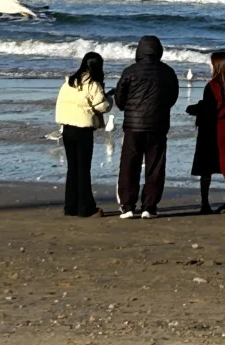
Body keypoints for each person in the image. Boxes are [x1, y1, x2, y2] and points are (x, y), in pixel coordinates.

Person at [114, 35, 179, 219]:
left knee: (129, 165)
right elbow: (172, 98)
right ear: (159, 51)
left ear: (139, 51)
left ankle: (127, 206)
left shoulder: (130, 71)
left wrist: (128, 107)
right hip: (158, 124)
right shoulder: (168, 72)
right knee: (155, 166)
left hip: (133, 126)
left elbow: (120, 99)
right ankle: (149, 207)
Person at [55, 51, 113, 218]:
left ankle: (70, 206)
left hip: (67, 128)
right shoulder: (93, 84)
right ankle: (85, 207)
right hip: (83, 129)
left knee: (72, 168)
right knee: (83, 169)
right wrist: (110, 97)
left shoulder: (69, 82)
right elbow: (103, 106)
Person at [188, 50, 225, 215]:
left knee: (206, 167)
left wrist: (194, 109)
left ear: (217, 66)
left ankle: (204, 202)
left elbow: (209, 108)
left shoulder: (212, 85)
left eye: (211, 63)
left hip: (211, 129)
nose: (210, 66)